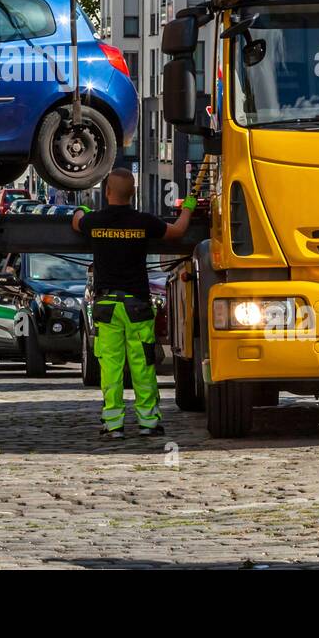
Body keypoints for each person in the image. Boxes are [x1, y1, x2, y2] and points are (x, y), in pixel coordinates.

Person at [72, 169, 194, 439]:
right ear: (134, 194)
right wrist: (187, 208)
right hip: (137, 305)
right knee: (143, 366)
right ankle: (149, 423)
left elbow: (77, 222)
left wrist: (80, 209)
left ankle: (113, 425)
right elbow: (178, 231)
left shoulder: (96, 221)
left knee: (111, 367)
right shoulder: (143, 221)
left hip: (107, 306)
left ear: (107, 192)